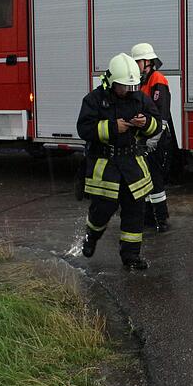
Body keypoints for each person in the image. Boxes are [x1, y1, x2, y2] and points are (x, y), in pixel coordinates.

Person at [77, 52, 161, 270]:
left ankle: (131, 256)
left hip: (132, 164)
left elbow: (157, 125)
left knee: (135, 211)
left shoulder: (140, 98)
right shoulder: (94, 100)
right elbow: (84, 129)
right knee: (103, 208)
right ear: (112, 82)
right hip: (106, 165)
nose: (128, 91)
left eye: (131, 86)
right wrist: (113, 127)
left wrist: (146, 123)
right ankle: (91, 238)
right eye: (123, 86)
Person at [131, 42, 177, 231]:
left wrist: (154, 138)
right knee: (146, 178)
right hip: (145, 138)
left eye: (137, 62)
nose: (136, 66)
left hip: (156, 139)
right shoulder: (143, 80)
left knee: (156, 180)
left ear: (147, 62)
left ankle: (161, 219)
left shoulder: (157, 80)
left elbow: (162, 114)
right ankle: (149, 217)